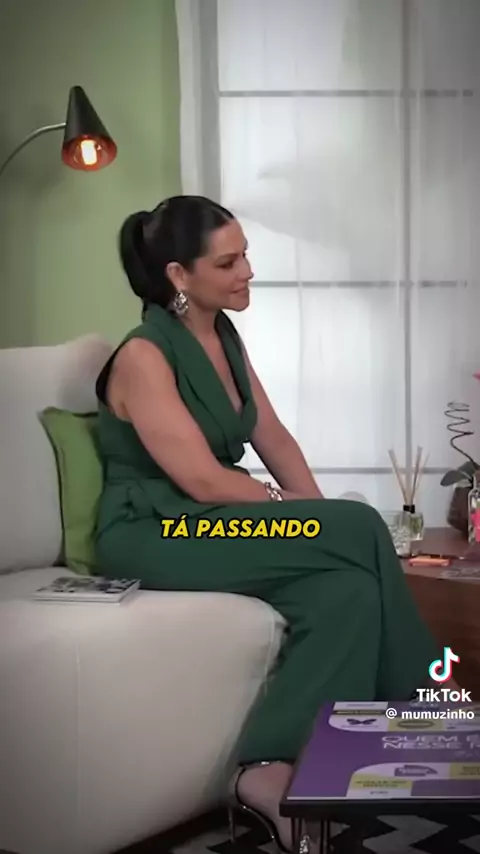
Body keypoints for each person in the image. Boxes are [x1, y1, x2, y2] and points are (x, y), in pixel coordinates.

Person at [93, 195, 454, 852]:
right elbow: (201, 480)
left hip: (215, 523)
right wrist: (316, 521)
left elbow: (275, 439)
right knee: (361, 527)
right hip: (159, 531)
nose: (247, 272)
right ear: (178, 275)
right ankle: (431, 721)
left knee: (346, 589)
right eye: (227, 262)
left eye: (246, 255)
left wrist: (318, 519)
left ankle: (266, 771)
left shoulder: (223, 338)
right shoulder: (144, 355)